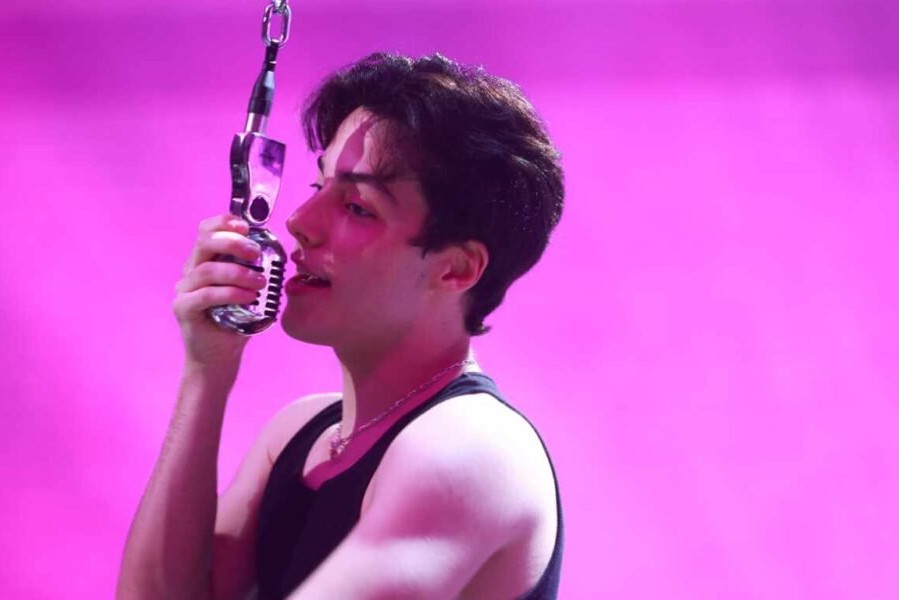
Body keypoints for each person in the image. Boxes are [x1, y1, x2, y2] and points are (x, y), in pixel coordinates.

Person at [117, 52, 565, 600]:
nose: (299, 223)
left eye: (357, 206)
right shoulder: (298, 434)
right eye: (317, 186)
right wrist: (206, 370)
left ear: (456, 269)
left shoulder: (470, 448)